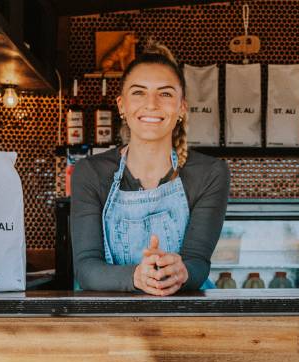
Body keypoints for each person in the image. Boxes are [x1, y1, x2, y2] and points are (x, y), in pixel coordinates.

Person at [70, 40, 230, 295]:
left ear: (182, 107)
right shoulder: (90, 172)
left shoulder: (210, 173)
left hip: (187, 321)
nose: (152, 104)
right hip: (108, 322)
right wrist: (136, 276)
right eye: (139, 92)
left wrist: (180, 272)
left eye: (165, 93)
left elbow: (198, 263)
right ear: (122, 105)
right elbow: (87, 268)